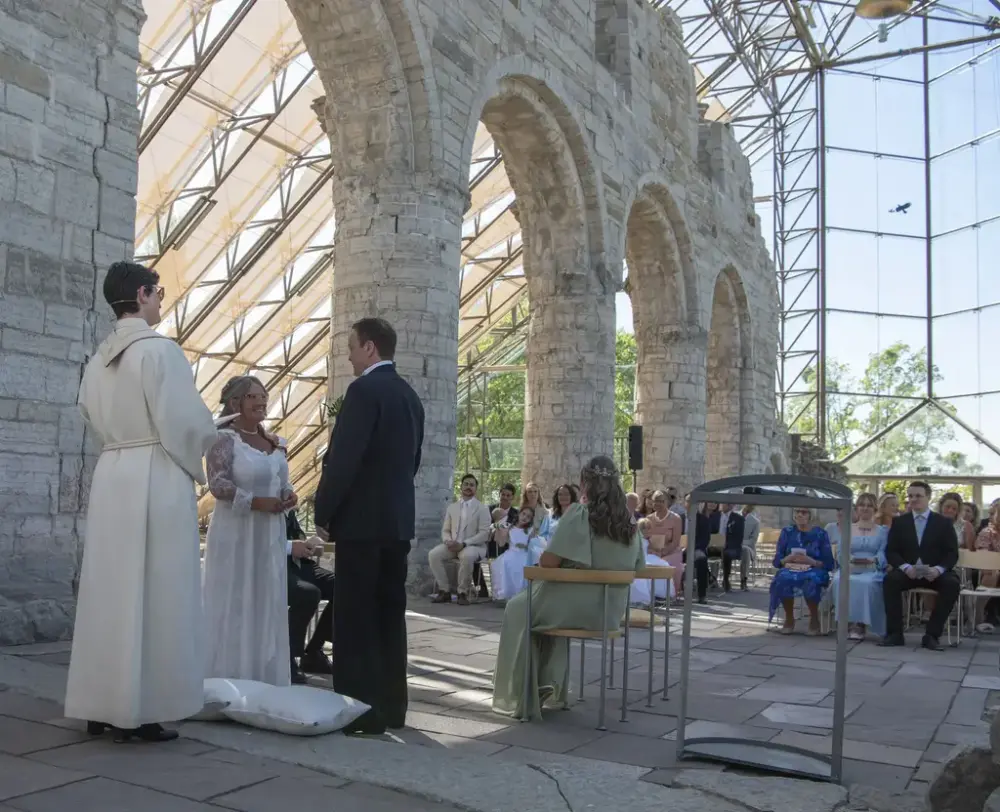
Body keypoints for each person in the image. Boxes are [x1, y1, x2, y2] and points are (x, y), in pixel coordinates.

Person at [65, 262, 218, 743]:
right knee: (156, 592)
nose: (162, 300)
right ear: (142, 294)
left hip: (114, 472)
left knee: (109, 592)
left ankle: (99, 703)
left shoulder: (98, 358)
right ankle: (143, 709)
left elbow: (90, 414)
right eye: (159, 292)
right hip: (155, 473)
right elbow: (185, 422)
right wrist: (211, 434)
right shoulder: (160, 352)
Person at [313, 317, 425, 735]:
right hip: (396, 523)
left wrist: (324, 512)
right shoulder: (410, 396)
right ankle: (392, 707)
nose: (348, 354)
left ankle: (358, 709)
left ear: (371, 348)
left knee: (355, 618)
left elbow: (344, 461)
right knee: (389, 616)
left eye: (352, 346)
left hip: (361, 524)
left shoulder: (363, 392)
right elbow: (412, 462)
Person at [491, 455, 643, 720]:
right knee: (547, 611)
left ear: (586, 484)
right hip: (609, 611)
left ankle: (523, 692)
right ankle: (548, 682)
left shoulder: (580, 514)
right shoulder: (630, 523)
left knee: (519, 609)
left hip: (574, 603)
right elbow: (638, 567)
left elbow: (549, 561)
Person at [203, 376, 298, 686]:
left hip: (269, 534)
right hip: (237, 533)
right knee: (235, 597)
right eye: (253, 396)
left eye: (263, 395)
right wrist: (257, 502)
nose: (261, 401)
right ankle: (228, 676)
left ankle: (262, 674)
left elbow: (281, 479)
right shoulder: (222, 439)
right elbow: (218, 485)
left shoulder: (276, 443)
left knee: (266, 597)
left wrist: (289, 494)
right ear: (236, 403)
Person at [880, 481, 960, 651]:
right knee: (890, 581)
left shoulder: (943, 523)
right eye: (910, 496)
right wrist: (905, 567)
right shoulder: (900, 522)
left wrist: (938, 570)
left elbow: (952, 553)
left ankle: (932, 635)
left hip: (934, 573)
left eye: (918, 496)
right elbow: (891, 551)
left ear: (928, 497)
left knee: (952, 584)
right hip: (909, 572)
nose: (913, 499)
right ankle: (895, 634)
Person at [285, 510, 336, 683]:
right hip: (276, 566)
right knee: (308, 594)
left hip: (302, 565)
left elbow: (295, 535)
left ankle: (314, 652)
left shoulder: (287, 502)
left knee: (344, 587)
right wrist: (289, 546)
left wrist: (308, 544)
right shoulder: (262, 499)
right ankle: (287, 658)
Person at [769, 508, 835, 635]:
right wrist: (786, 559)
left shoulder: (820, 533)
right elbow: (777, 561)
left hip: (814, 569)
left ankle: (814, 618)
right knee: (782, 577)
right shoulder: (787, 532)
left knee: (811, 579)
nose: (799, 515)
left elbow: (828, 563)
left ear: (811, 515)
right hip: (791, 568)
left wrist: (812, 561)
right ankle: (789, 618)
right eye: (797, 512)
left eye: (804, 512)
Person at [831, 492, 887, 641]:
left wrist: (874, 560)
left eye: (869, 505)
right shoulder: (848, 528)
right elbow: (841, 551)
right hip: (850, 567)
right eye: (862, 505)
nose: (865, 508)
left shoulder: (882, 531)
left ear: (875, 509)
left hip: (871, 569)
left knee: (866, 583)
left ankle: (860, 624)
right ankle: (845, 622)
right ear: (856, 509)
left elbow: (883, 552)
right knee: (840, 580)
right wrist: (848, 561)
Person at [429, 473, 492, 604]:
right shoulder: (452, 507)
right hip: (453, 545)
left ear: (476, 489)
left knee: (467, 555)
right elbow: (445, 530)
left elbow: (484, 534)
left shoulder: (482, 508)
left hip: (475, 547)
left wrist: (464, 544)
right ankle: (444, 590)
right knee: (433, 554)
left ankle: (462, 592)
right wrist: (447, 541)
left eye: (472, 485)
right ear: (461, 487)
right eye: (466, 484)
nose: (469, 487)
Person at [489, 506, 537, 601]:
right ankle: (507, 593)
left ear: (530, 520)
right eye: (523, 514)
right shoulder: (509, 528)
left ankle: (520, 594)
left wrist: (526, 546)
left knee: (522, 564)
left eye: (528, 517)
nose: (525, 517)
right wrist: (498, 529)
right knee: (505, 562)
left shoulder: (531, 530)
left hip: (524, 554)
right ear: (519, 514)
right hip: (511, 552)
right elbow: (501, 543)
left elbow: (534, 545)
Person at [646, 490, 684, 599]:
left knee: (668, 564)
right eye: (655, 501)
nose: (657, 504)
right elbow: (646, 539)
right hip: (652, 551)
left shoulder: (676, 518)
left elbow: (675, 542)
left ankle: (669, 594)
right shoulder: (648, 519)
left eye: (661, 501)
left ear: (667, 502)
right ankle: (651, 594)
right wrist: (653, 551)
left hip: (671, 551)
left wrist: (663, 552)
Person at [534, 484, 579, 564]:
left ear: (571, 496)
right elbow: (542, 537)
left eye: (566, 494)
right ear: (556, 497)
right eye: (560, 494)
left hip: (572, 555)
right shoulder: (550, 515)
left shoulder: (578, 515)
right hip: (552, 555)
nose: (563, 496)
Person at [720, 503, 746, 593]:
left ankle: (725, 579)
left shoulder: (738, 519)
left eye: (728, 504)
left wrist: (726, 544)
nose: (724, 505)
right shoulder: (714, 516)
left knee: (726, 554)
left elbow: (739, 537)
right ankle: (711, 577)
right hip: (714, 545)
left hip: (730, 547)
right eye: (723, 503)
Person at [740, 505, 760, 591]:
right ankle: (714, 578)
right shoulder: (735, 517)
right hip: (732, 545)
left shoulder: (755, 522)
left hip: (748, 547)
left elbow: (752, 541)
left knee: (745, 550)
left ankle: (744, 579)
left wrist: (740, 543)